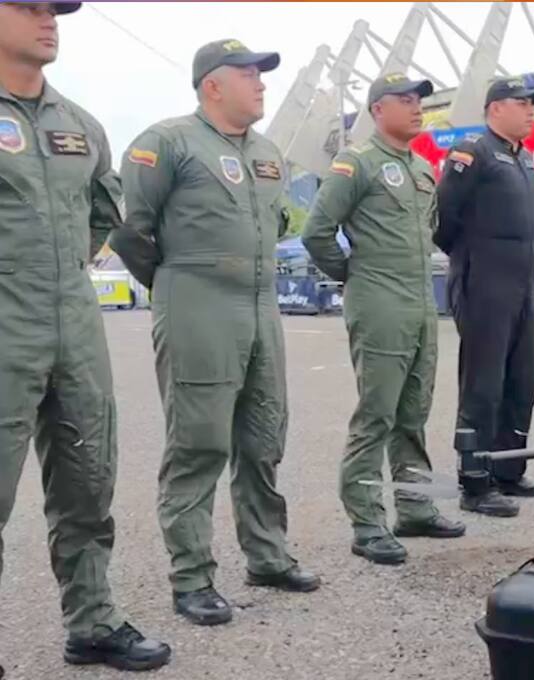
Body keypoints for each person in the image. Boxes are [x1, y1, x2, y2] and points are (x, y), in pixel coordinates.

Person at [112, 39, 321, 626]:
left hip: (260, 304)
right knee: (199, 442)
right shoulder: (167, 142)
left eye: (262, 74)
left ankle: (267, 556)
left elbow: (275, 222)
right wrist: (176, 284)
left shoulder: (268, 152)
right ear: (212, 85)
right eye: (248, 74)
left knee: (263, 437)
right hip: (196, 300)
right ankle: (192, 577)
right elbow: (131, 230)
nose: (260, 84)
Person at [0, 2, 171, 669]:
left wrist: (54, 273)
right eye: (29, 6)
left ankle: (93, 620)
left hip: (73, 316)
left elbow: (102, 211)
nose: (50, 20)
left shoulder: (81, 124)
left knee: (87, 476)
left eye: (56, 9)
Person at [303, 74, 465, 566]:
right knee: (377, 414)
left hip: (419, 304)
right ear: (377, 109)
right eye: (404, 101)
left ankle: (415, 508)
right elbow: (317, 233)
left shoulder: (421, 167)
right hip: (380, 303)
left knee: (414, 412)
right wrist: (357, 277)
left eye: (420, 101)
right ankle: (367, 521)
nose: (417, 108)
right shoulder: (357, 163)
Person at [434, 78, 534, 517]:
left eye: (532, 104)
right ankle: (476, 481)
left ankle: (508, 469)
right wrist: (469, 258)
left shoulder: (525, 162)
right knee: (483, 384)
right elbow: (445, 215)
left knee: (523, 378)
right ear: (495, 109)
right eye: (522, 103)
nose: (531, 111)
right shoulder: (474, 151)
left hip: (521, 285)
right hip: (484, 281)